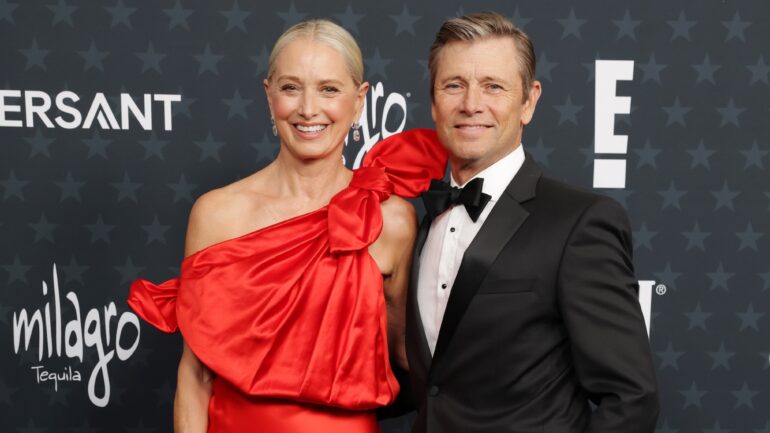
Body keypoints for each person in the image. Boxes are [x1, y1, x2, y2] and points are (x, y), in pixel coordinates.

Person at [128, 20, 446, 433]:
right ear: (268, 95)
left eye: (329, 89)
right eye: (291, 87)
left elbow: (410, 360)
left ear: (359, 100)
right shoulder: (216, 214)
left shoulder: (392, 220)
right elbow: (195, 375)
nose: (308, 109)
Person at [404, 12, 659, 433]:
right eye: (454, 85)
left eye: (493, 86)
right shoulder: (416, 221)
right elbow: (432, 380)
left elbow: (632, 399)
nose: (471, 104)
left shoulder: (580, 222)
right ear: (433, 102)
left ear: (529, 101)